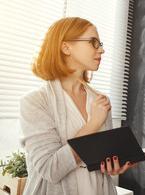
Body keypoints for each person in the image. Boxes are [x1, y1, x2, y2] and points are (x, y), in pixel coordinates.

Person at [19, 17, 137, 195]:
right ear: (66, 47)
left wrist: (113, 166)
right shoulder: (35, 101)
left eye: (100, 43)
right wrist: (93, 124)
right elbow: (50, 169)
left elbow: (102, 159)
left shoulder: (100, 100)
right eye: (93, 43)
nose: (102, 50)